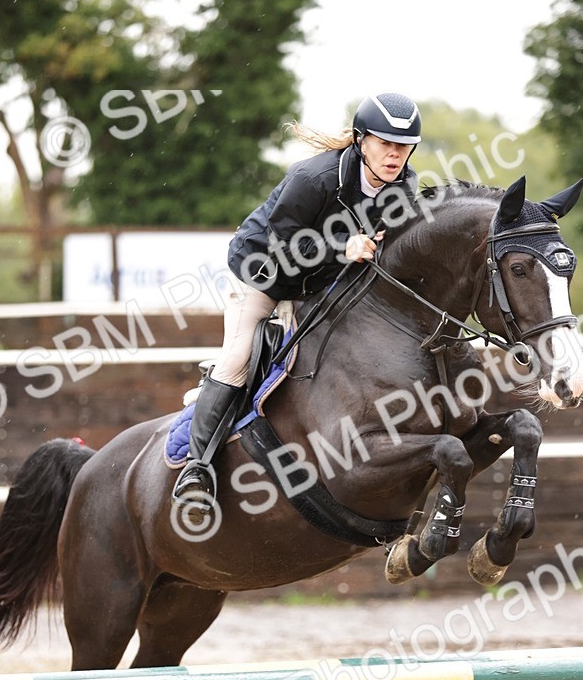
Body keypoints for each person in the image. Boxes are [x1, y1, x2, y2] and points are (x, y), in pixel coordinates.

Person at [173, 91, 422, 503]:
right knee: (237, 359)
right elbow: (283, 247)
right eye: (385, 143)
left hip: (321, 278)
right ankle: (197, 470)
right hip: (263, 271)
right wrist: (344, 247)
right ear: (361, 141)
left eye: (404, 146)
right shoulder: (314, 179)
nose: (395, 155)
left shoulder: (405, 185)